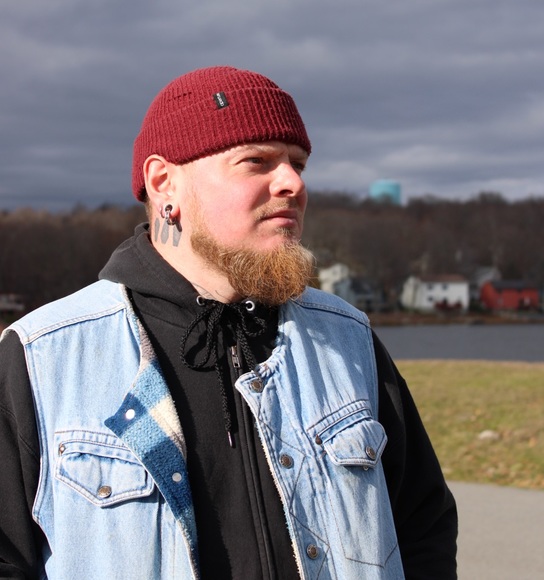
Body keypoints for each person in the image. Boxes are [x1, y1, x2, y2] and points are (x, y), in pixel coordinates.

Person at [0, 66, 457, 579]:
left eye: (298, 163)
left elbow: (423, 528)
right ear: (164, 183)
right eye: (256, 161)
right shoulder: (44, 354)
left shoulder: (347, 338)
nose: (293, 183)